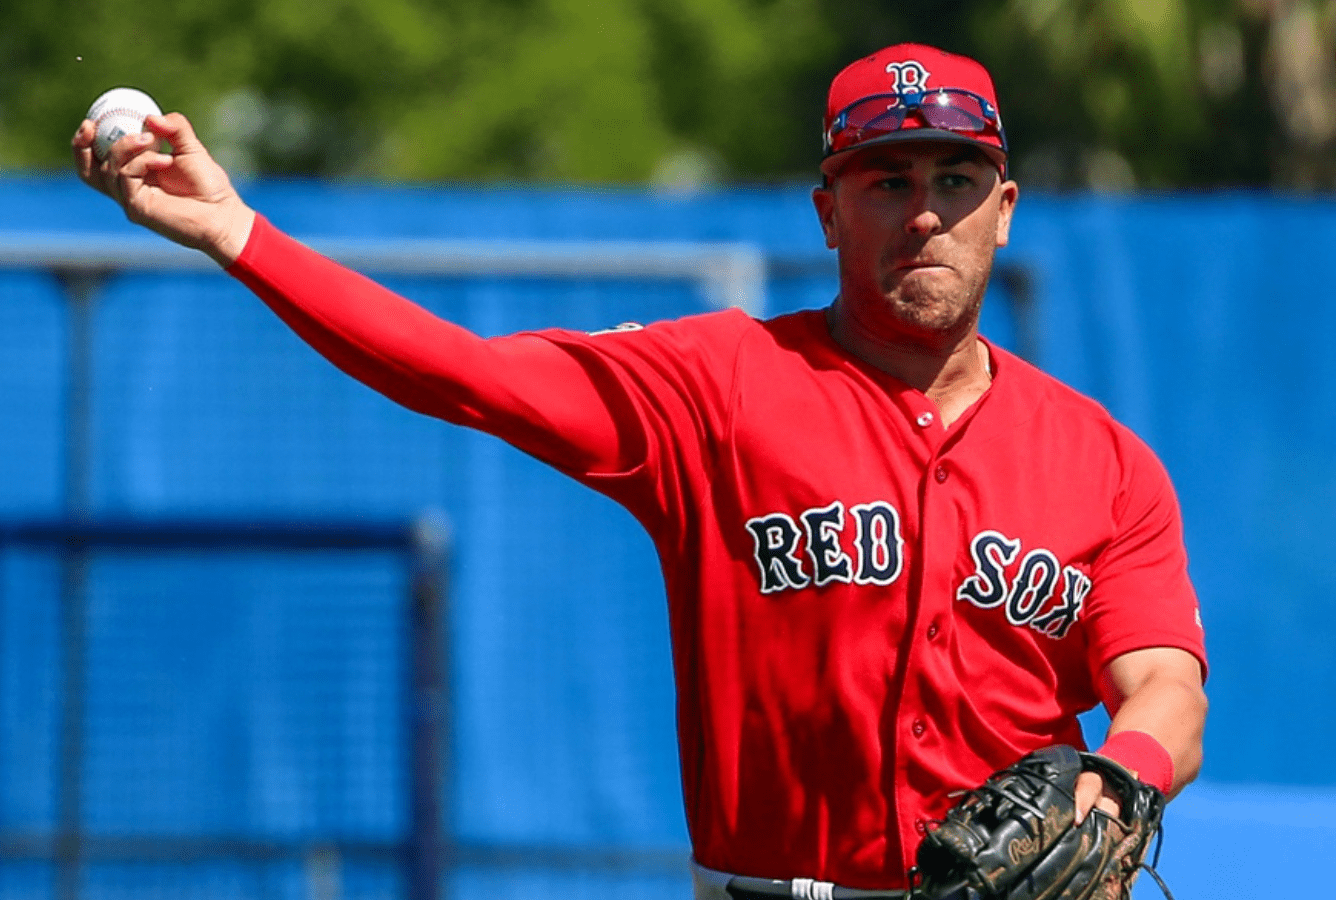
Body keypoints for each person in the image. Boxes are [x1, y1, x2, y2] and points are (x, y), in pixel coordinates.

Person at [74, 42, 1207, 899]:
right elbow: (460, 372)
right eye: (883, 180)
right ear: (825, 211)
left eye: (954, 179)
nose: (922, 213)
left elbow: (1162, 687)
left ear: (1002, 210)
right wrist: (239, 235)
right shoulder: (714, 384)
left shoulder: (1104, 464)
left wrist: (1120, 779)